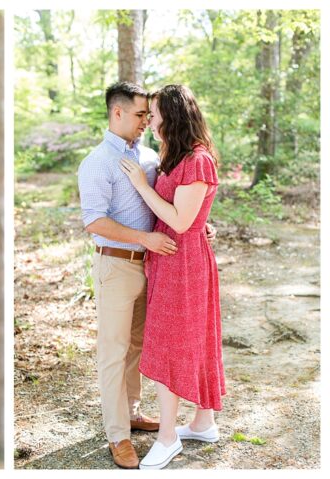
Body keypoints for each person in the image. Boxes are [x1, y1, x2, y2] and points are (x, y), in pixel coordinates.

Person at [77, 81, 215, 469]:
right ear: (117, 112)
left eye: (149, 116)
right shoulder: (97, 162)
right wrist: (146, 239)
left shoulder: (153, 157)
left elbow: (176, 203)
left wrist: (198, 225)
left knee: (140, 348)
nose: (146, 122)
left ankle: (133, 412)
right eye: (140, 115)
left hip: (156, 267)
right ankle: (118, 435)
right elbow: (94, 221)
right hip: (118, 265)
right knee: (114, 352)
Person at [119, 84, 225, 470]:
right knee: (186, 340)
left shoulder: (198, 160)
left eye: (157, 113)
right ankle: (203, 422)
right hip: (170, 259)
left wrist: (142, 187)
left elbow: (181, 219)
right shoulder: (175, 156)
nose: (151, 120)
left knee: (171, 344)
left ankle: (167, 438)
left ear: (174, 116)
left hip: (184, 265)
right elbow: (190, 214)